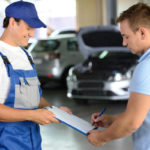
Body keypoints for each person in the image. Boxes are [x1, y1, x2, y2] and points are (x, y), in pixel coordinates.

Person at [0, 1, 71, 150]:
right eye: (28, 28)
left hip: (32, 142)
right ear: (12, 22)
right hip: (6, 143)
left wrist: (54, 110)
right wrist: (33, 115)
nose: (32, 34)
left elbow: (32, 97)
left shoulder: (26, 55)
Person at [87, 2, 150, 150]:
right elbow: (142, 114)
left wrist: (101, 138)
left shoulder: (146, 67)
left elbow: (132, 123)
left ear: (142, 32)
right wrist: (110, 120)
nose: (123, 43)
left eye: (126, 36)